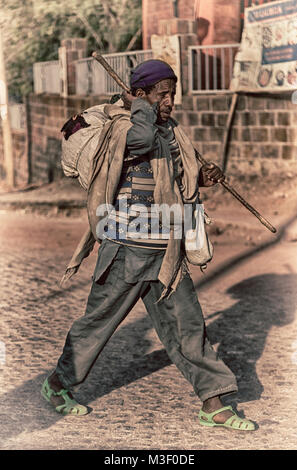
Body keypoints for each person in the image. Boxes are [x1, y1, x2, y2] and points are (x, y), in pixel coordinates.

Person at [41, 60, 255, 432]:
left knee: (188, 326)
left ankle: (214, 402)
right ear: (140, 95)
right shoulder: (124, 127)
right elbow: (140, 142)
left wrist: (203, 178)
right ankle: (58, 385)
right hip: (124, 248)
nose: (171, 101)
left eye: (173, 93)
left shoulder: (169, 131)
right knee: (97, 324)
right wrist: (141, 106)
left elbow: (177, 179)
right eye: (163, 94)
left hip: (166, 249)